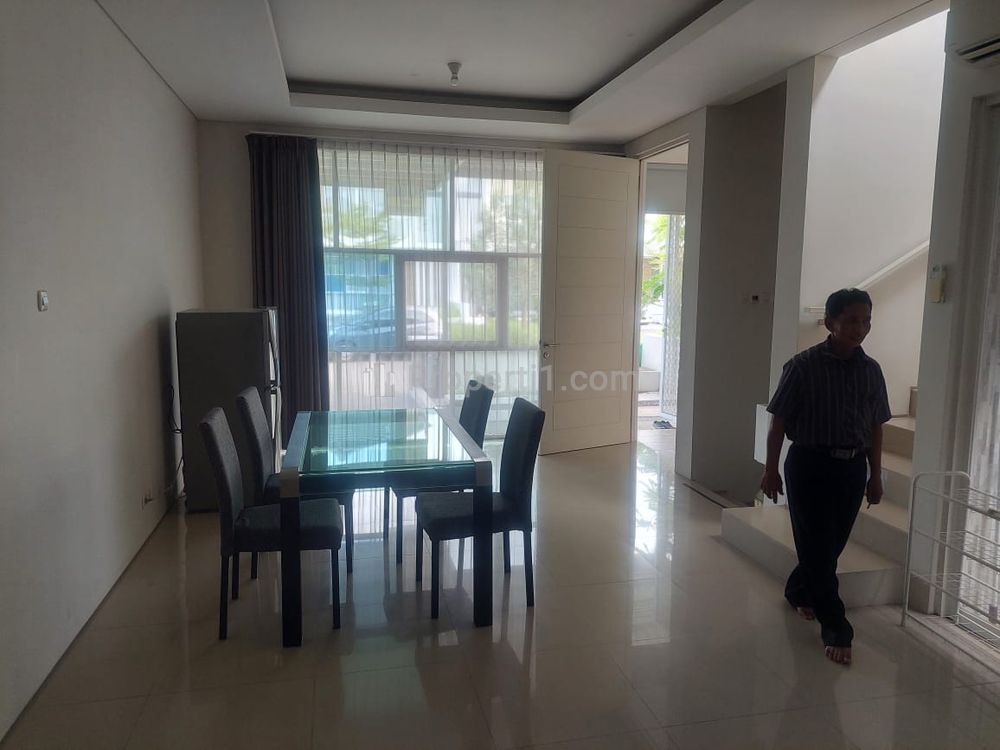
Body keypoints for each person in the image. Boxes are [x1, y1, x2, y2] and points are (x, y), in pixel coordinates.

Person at [760, 288, 891, 666]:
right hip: (809, 465)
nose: (859, 328)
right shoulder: (802, 366)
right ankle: (836, 627)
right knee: (817, 546)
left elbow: (876, 426)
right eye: (851, 321)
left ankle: (799, 590)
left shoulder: (871, 371)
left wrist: (875, 475)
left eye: (866, 320)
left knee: (830, 546)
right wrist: (770, 469)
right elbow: (778, 422)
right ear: (830, 322)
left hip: (852, 467)